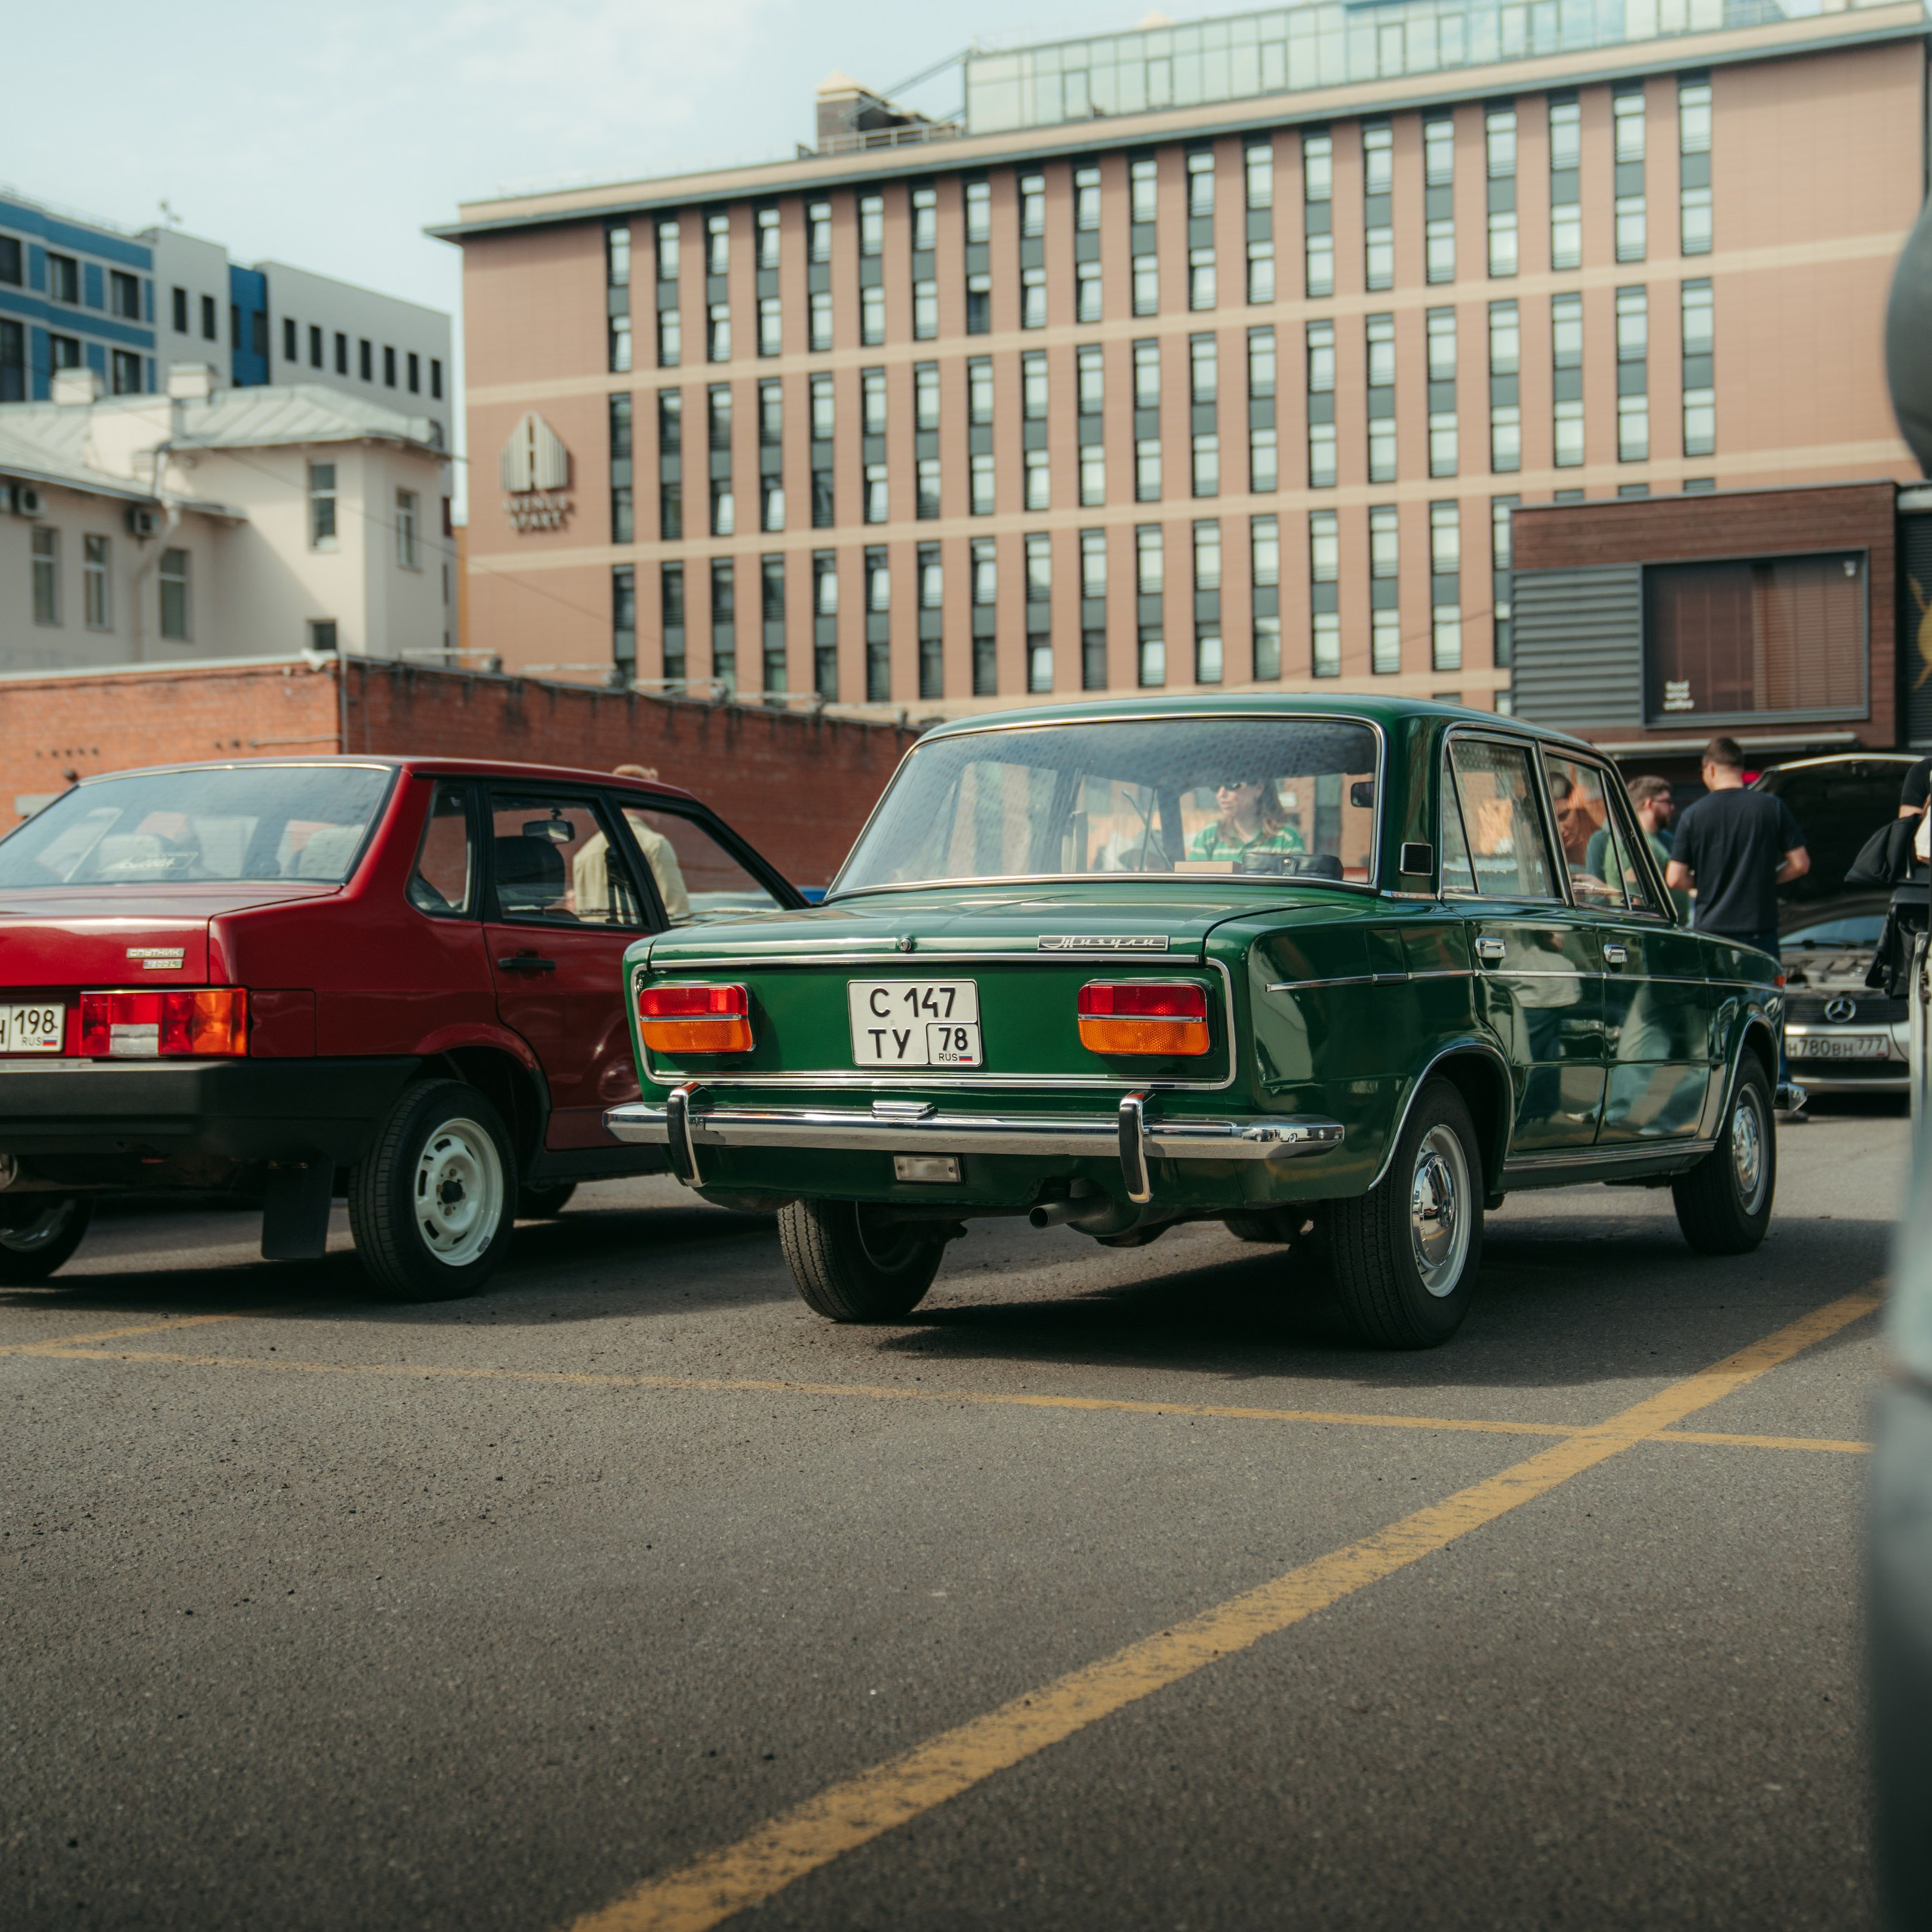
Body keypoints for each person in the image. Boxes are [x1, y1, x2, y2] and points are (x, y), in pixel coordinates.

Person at [1666, 737, 1809, 1105]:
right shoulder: (1771, 808)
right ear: (1739, 766)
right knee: (1767, 1008)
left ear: (1710, 769)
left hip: (1712, 932)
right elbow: (1801, 864)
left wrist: (1706, 883)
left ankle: (1710, 1093)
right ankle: (1777, 1089)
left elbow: (1675, 878)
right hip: (1759, 930)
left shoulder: (1694, 814)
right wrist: (1766, 878)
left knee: (1715, 1014)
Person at [573, 764, 692, 923]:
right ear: (640, 797)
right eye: (654, 794)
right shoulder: (655, 845)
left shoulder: (584, 853)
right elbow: (678, 916)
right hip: (641, 945)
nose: (658, 805)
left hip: (597, 946)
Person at [1586, 774, 1690, 921]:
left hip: (1672, 931)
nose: (1672, 807)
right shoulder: (1633, 844)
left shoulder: (1662, 839)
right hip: (1655, 935)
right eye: (1667, 801)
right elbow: (1637, 901)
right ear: (1649, 803)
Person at [1186, 777, 1306, 863]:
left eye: (1232, 784)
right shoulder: (1208, 837)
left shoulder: (1286, 838)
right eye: (1216, 786)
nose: (1221, 794)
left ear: (1258, 788)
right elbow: (1193, 890)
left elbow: (1292, 894)